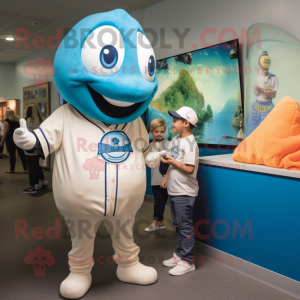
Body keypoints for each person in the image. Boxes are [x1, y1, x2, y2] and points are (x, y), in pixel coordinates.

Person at [161, 106, 199, 276]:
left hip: (184, 192)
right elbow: (173, 161)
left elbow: (190, 169)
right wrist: (165, 176)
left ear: (186, 123)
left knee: (185, 228)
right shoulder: (175, 139)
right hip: (174, 190)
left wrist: (172, 162)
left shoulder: (191, 143)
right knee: (178, 225)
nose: (172, 123)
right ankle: (180, 255)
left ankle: (188, 261)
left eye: (175, 121)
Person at [145, 119, 170, 232]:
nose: (159, 134)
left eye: (162, 131)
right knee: (159, 200)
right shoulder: (150, 145)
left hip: (165, 178)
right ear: (151, 132)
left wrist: (166, 178)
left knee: (161, 200)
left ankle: (155, 222)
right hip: (155, 178)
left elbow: (171, 161)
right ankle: (159, 222)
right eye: (157, 132)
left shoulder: (168, 144)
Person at [247, 51, 279, 135]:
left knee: (266, 134)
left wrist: (261, 89)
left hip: (268, 107)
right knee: (251, 133)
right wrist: (256, 90)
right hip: (256, 106)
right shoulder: (257, 78)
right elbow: (257, 94)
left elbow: (273, 94)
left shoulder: (274, 78)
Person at [22, 105, 48, 193]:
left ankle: (32, 186)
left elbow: (26, 134)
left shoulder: (27, 120)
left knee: (31, 167)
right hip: (40, 146)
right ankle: (43, 181)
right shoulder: (42, 120)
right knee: (36, 164)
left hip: (30, 146)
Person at [0, 108, 27, 173]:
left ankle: (12, 169)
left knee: (12, 155)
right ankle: (25, 169)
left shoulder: (7, 120)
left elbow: (6, 131)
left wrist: (2, 141)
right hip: (19, 139)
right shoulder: (18, 120)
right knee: (22, 154)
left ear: (7, 114)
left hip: (10, 140)